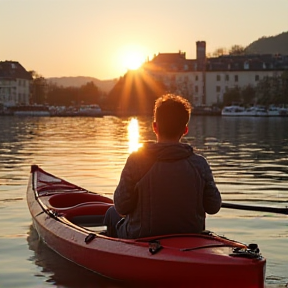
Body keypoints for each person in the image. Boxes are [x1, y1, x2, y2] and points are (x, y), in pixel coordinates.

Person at [103, 94, 221, 239]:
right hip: (191, 237)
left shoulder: (137, 161)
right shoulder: (199, 164)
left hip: (142, 237)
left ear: (154, 127)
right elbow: (213, 207)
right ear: (185, 130)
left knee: (111, 213)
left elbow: (121, 206)